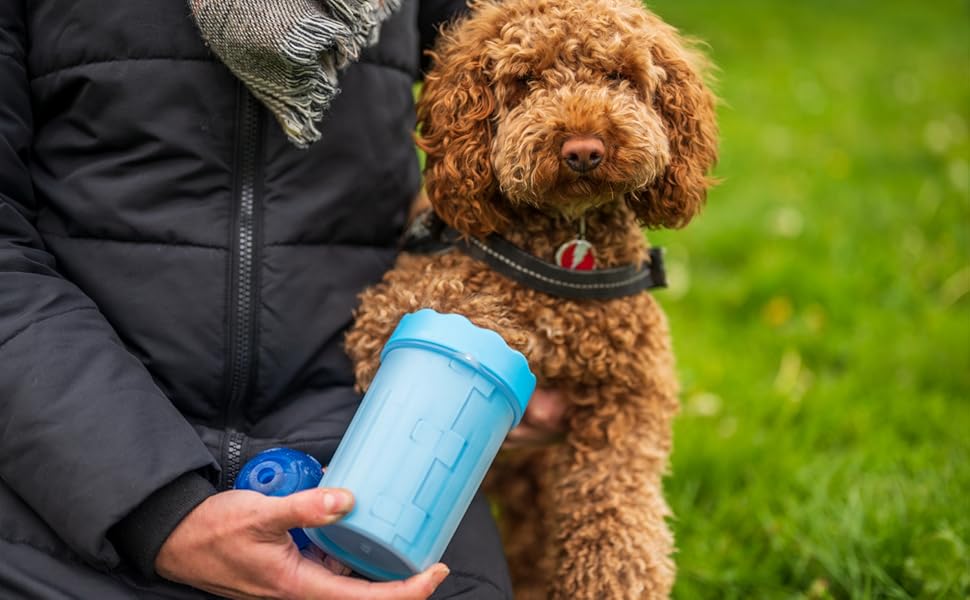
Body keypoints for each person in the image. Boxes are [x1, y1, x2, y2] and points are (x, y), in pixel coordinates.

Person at [0, 1, 565, 598]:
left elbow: (557, 53)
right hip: (65, 463)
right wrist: (159, 511)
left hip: (382, 436)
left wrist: (544, 336)